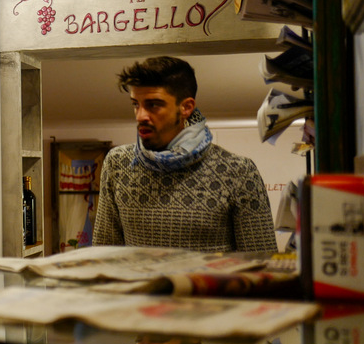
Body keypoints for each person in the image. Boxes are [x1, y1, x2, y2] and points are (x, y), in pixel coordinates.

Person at [93, 55, 276, 253]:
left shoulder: (238, 171)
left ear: (186, 107)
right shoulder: (118, 163)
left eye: (153, 105)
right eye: (136, 104)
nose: (141, 116)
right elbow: (104, 254)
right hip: (141, 284)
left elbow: (262, 264)